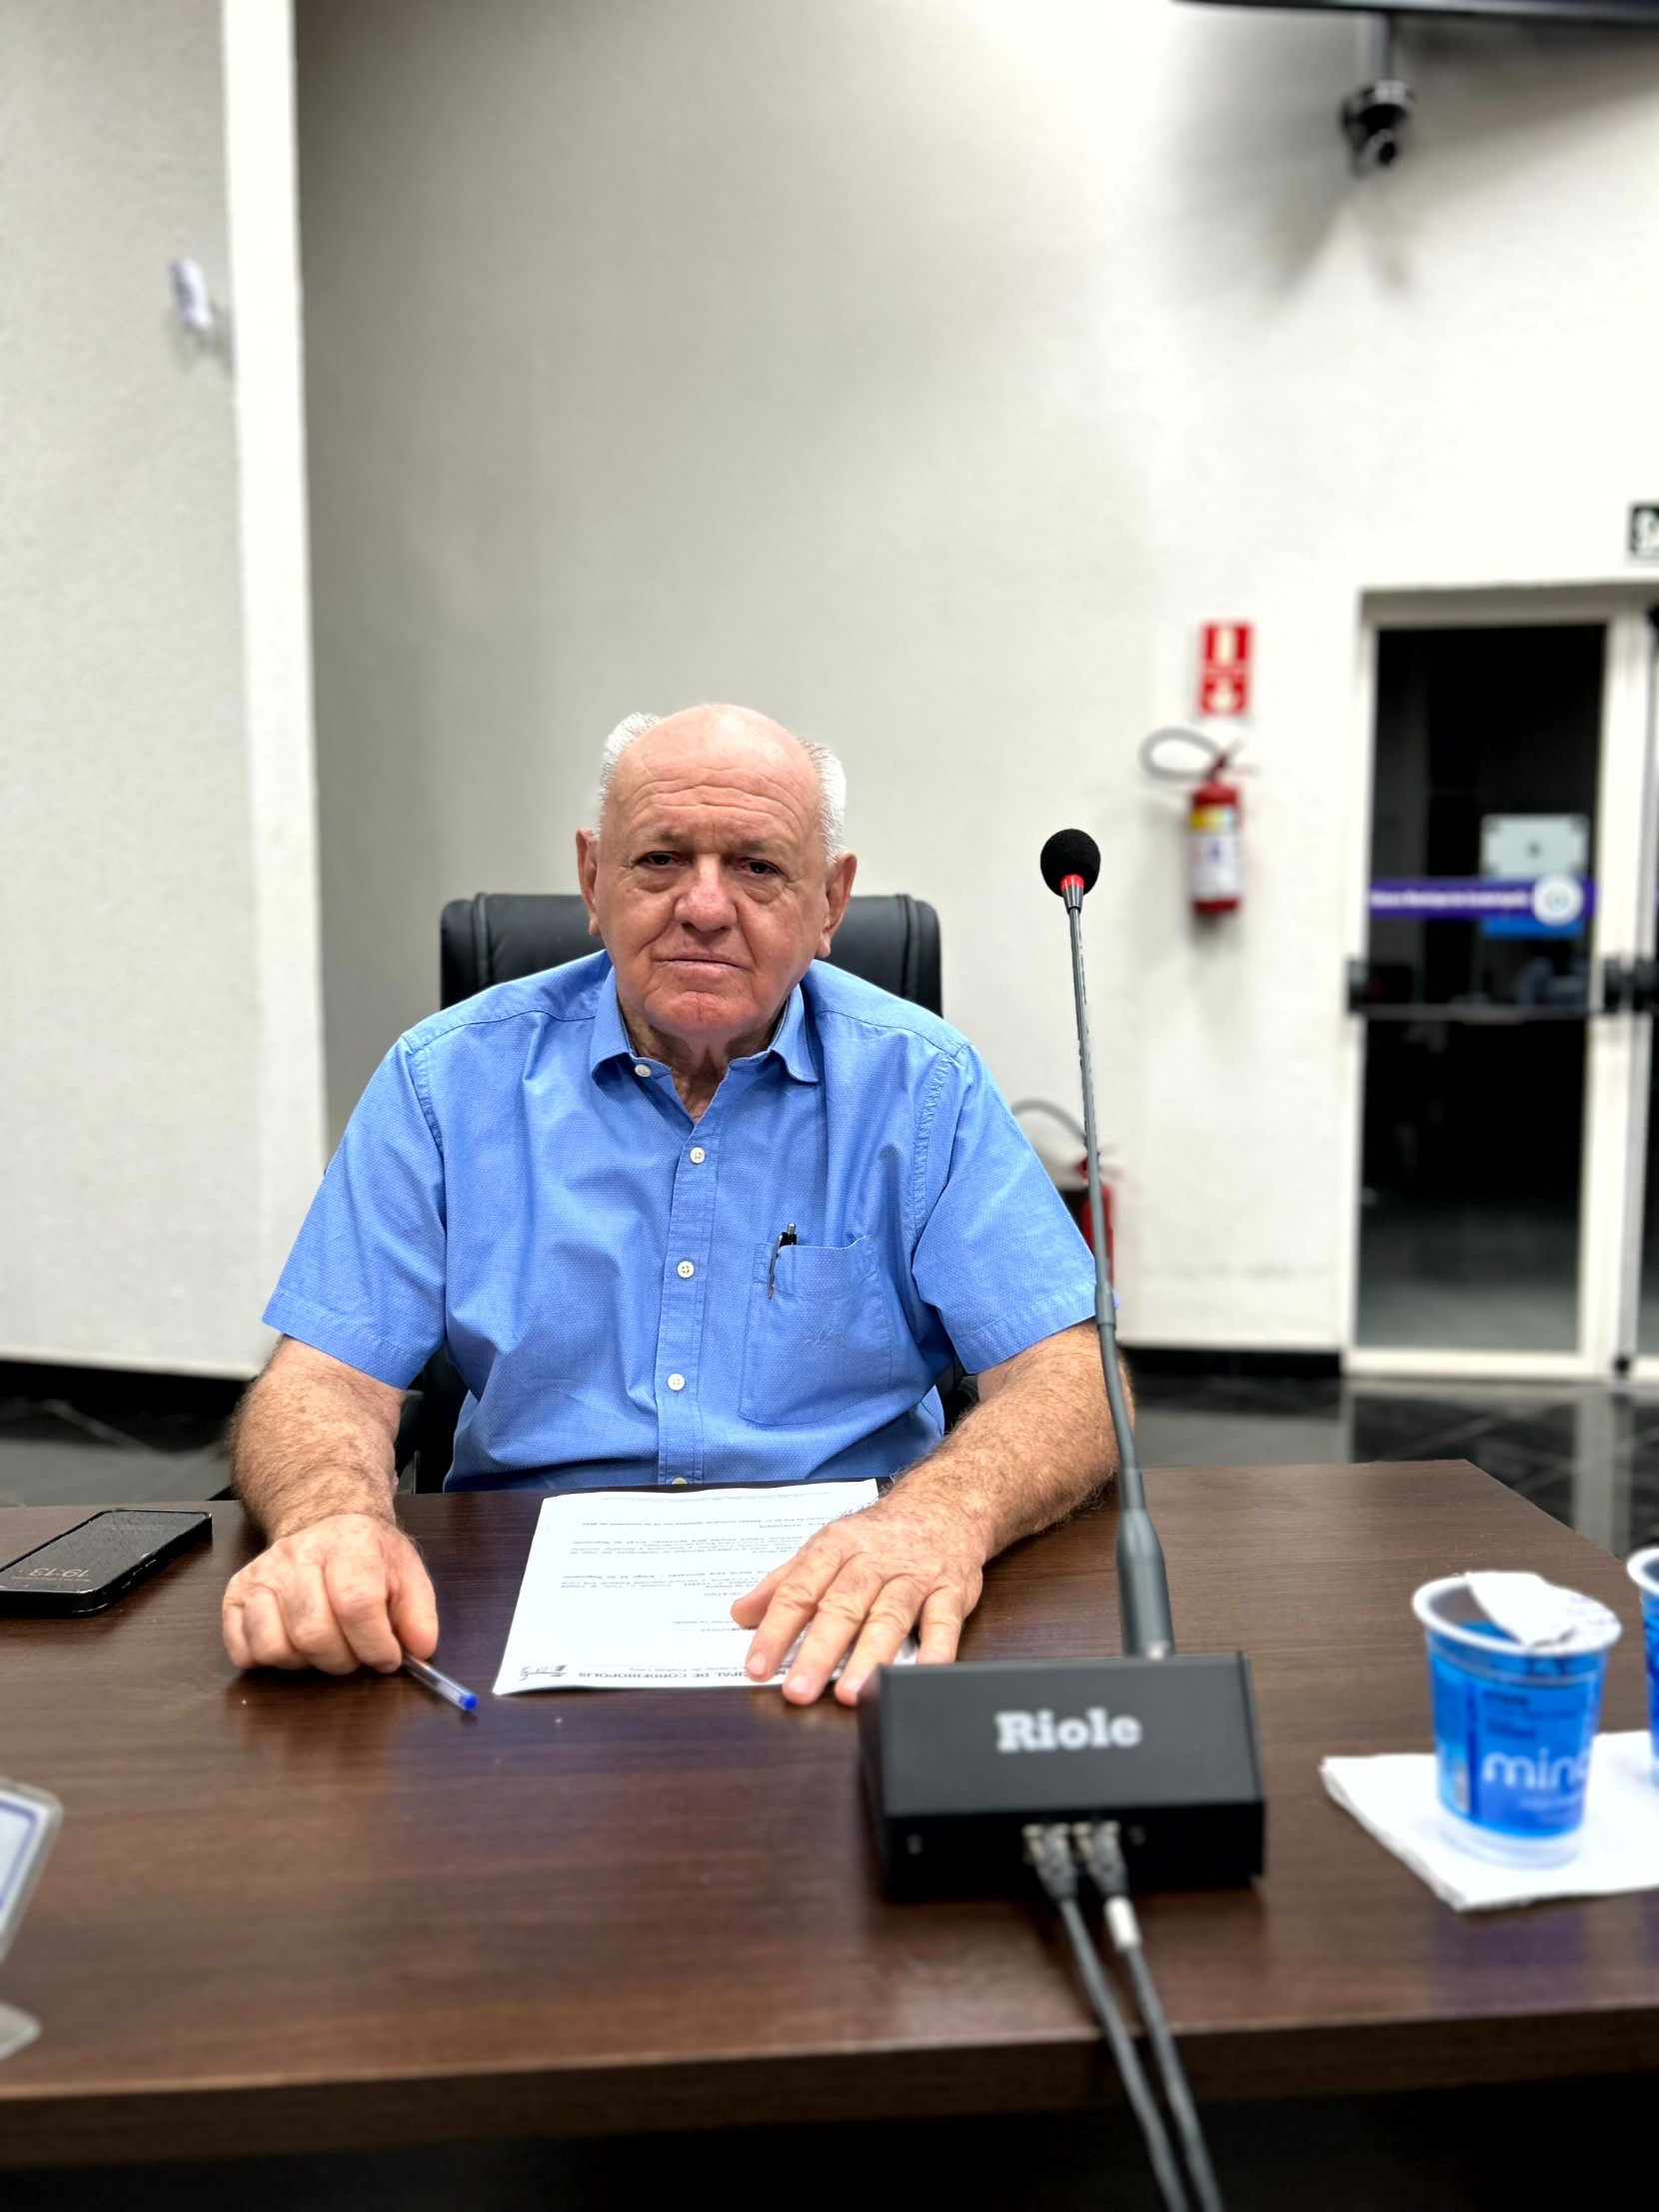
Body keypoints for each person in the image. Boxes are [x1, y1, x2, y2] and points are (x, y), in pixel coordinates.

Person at [223, 704, 1115, 1704]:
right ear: (591, 878)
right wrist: (332, 1520)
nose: (704, 906)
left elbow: (1072, 1379)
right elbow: (323, 1380)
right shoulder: (445, 1080)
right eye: (659, 860)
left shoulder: (922, 1084)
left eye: (757, 867)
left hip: (851, 1591)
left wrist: (935, 1518)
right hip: (509, 1597)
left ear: (830, 902)